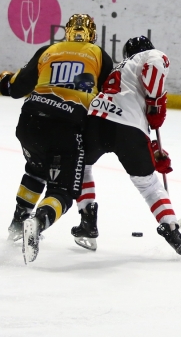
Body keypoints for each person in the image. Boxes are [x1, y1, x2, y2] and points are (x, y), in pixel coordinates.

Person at [0, 14, 113, 263]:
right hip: (67, 126)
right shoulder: (98, 54)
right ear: (92, 34)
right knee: (62, 191)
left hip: (29, 123)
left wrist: (4, 80)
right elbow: (112, 92)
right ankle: (38, 222)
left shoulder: (48, 50)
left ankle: (18, 224)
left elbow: (15, 88)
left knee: (35, 170)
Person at [74, 35, 181, 259]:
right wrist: (154, 102)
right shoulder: (151, 55)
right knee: (149, 184)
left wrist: (152, 148)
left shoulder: (118, 69)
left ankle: (87, 221)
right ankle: (172, 232)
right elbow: (153, 68)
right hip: (128, 127)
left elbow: (117, 103)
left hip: (96, 120)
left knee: (81, 166)